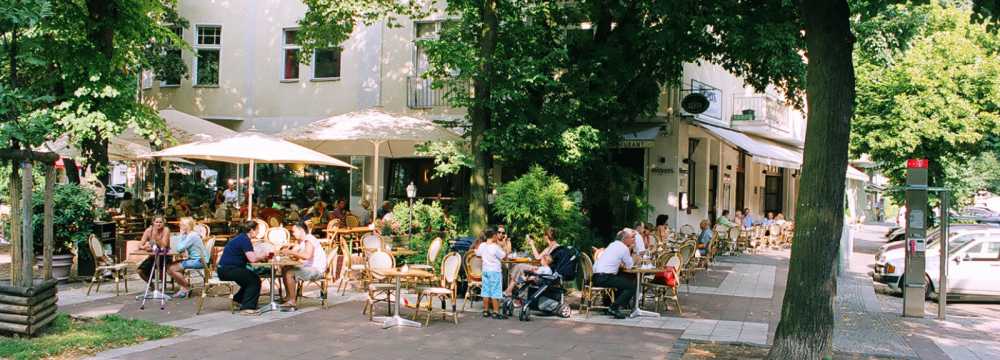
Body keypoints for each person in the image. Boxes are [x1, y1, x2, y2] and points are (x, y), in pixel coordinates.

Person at [218, 221, 270, 315]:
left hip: (224, 269)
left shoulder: (241, 238)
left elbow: (249, 256)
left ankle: (237, 301)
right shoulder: (244, 240)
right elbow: (252, 259)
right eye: (257, 230)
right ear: (251, 230)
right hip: (229, 269)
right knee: (254, 280)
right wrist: (263, 256)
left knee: (248, 280)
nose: (258, 232)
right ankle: (247, 308)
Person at [276, 221, 327, 311]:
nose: (293, 234)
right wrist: (292, 255)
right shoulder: (303, 241)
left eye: (294, 231)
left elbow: (307, 255)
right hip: (309, 267)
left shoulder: (309, 239)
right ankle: (288, 297)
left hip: (316, 269)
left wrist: (291, 252)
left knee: (289, 273)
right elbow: (302, 256)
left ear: (301, 230)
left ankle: (292, 301)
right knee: (285, 269)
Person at [591, 228, 637, 319]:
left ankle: (609, 305)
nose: (633, 240)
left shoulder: (612, 244)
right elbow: (630, 266)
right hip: (605, 277)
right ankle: (614, 307)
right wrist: (634, 251)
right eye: (632, 238)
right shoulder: (624, 248)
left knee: (622, 280)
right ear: (625, 239)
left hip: (596, 277)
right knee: (631, 286)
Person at [504, 228, 560, 296]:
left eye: (544, 236)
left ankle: (509, 291)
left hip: (544, 271)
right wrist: (532, 244)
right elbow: (538, 257)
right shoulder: (551, 247)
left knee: (519, 267)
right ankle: (510, 290)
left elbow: (542, 260)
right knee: (519, 266)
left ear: (546, 237)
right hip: (542, 269)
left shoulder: (555, 248)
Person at [166, 217, 207, 298]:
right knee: (170, 266)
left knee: (171, 269)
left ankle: (186, 287)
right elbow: (181, 249)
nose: (180, 226)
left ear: (187, 226)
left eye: (182, 224)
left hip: (199, 261)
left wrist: (181, 235)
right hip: (197, 259)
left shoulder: (192, 236)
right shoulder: (190, 234)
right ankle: (184, 287)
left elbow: (179, 248)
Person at [475, 227, 506, 319]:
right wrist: (501, 245)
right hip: (495, 271)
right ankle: (496, 312)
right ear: (493, 236)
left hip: (485, 271)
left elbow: (477, 253)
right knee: (495, 291)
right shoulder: (495, 247)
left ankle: (485, 310)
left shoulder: (482, 245)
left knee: (485, 291)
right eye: (496, 234)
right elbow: (503, 256)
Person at [137, 216, 171, 282]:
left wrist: (155, 237)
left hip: (165, 256)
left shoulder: (166, 230)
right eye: (156, 222)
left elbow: (164, 245)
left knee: (161, 270)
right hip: (153, 257)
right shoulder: (148, 230)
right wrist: (145, 247)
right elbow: (140, 245)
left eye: (160, 222)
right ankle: (151, 285)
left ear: (164, 223)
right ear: (153, 223)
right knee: (140, 271)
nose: (158, 224)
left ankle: (162, 287)